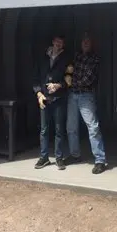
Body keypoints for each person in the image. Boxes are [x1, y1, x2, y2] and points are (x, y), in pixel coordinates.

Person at [64, 33, 107, 174]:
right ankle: (75, 155)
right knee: (71, 127)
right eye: (84, 41)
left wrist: (70, 82)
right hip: (73, 95)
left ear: (92, 44)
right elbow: (68, 71)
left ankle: (100, 160)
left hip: (86, 95)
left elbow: (88, 78)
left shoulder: (94, 58)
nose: (85, 43)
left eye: (88, 42)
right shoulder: (76, 56)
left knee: (93, 127)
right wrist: (67, 78)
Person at [32, 34, 70, 170]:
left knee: (59, 130)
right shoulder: (42, 58)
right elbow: (35, 78)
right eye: (57, 41)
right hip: (44, 99)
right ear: (53, 42)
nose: (59, 44)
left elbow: (69, 78)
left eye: (61, 42)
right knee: (44, 130)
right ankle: (44, 158)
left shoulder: (66, 59)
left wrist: (58, 85)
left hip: (59, 99)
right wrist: (38, 93)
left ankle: (59, 158)